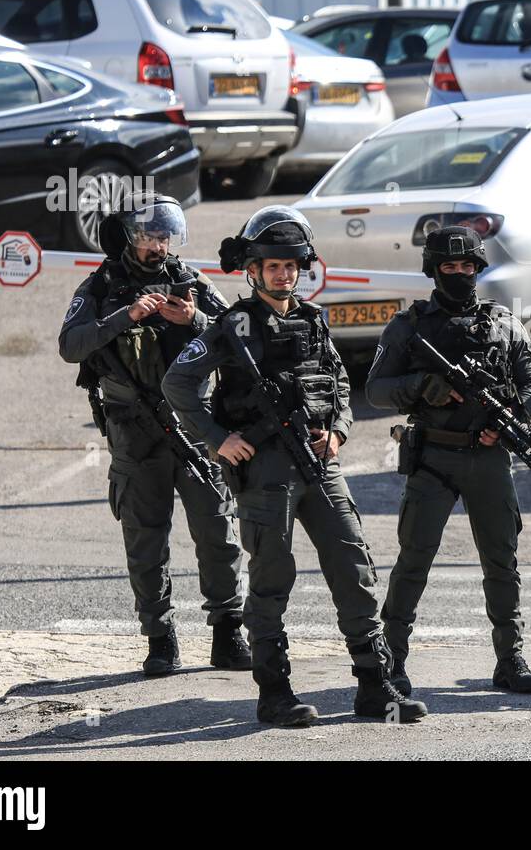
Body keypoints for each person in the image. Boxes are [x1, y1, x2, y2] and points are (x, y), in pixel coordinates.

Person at [162, 206, 426, 726]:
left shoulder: (313, 318)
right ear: (253, 269)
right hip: (265, 473)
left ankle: (376, 687)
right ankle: (274, 693)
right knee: (271, 578)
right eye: (273, 266)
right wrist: (218, 439)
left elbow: (341, 383)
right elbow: (178, 383)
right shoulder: (231, 326)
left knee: (354, 569)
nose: (285, 275)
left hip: (319, 464)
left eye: (292, 266)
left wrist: (340, 431)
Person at [59, 194, 249, 676]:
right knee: (145, 539)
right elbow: (70, 345)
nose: (159, 246)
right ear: (128, 236)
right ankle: (160, 640)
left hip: (194, 428)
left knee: (217, 530)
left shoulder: (191, 282)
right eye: (149, 236)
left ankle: (228, 633)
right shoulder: (100, 287)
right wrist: (126, 316)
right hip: (134, 432)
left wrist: (196, 321)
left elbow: (241, 336)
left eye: (165, 236)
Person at [365, 226, 531, 696]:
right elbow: (375, 389)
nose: (461, 275)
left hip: (488, 458)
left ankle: (510, 659)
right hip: (433, 458)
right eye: (451, 267)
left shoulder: (504, 323)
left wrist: (508, 422)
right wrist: (421, 386)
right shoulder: (408, 326)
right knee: (414, 560)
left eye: (468, 267)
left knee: (502, 562)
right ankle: (392, 661)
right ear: (433, 270)